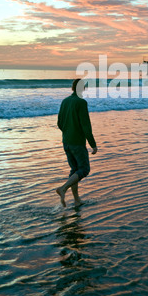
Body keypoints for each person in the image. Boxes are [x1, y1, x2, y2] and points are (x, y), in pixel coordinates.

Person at [56, 78, 97, 207]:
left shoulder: (65, 101)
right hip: (77, 142)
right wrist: (93, 144)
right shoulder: (81, 103)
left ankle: (77, 200)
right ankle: (63, 188)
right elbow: (86, 126)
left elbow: (59, 123)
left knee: (74, 170)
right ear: (82, 88)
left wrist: (68, 132)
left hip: (66, 141)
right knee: (84, 169)